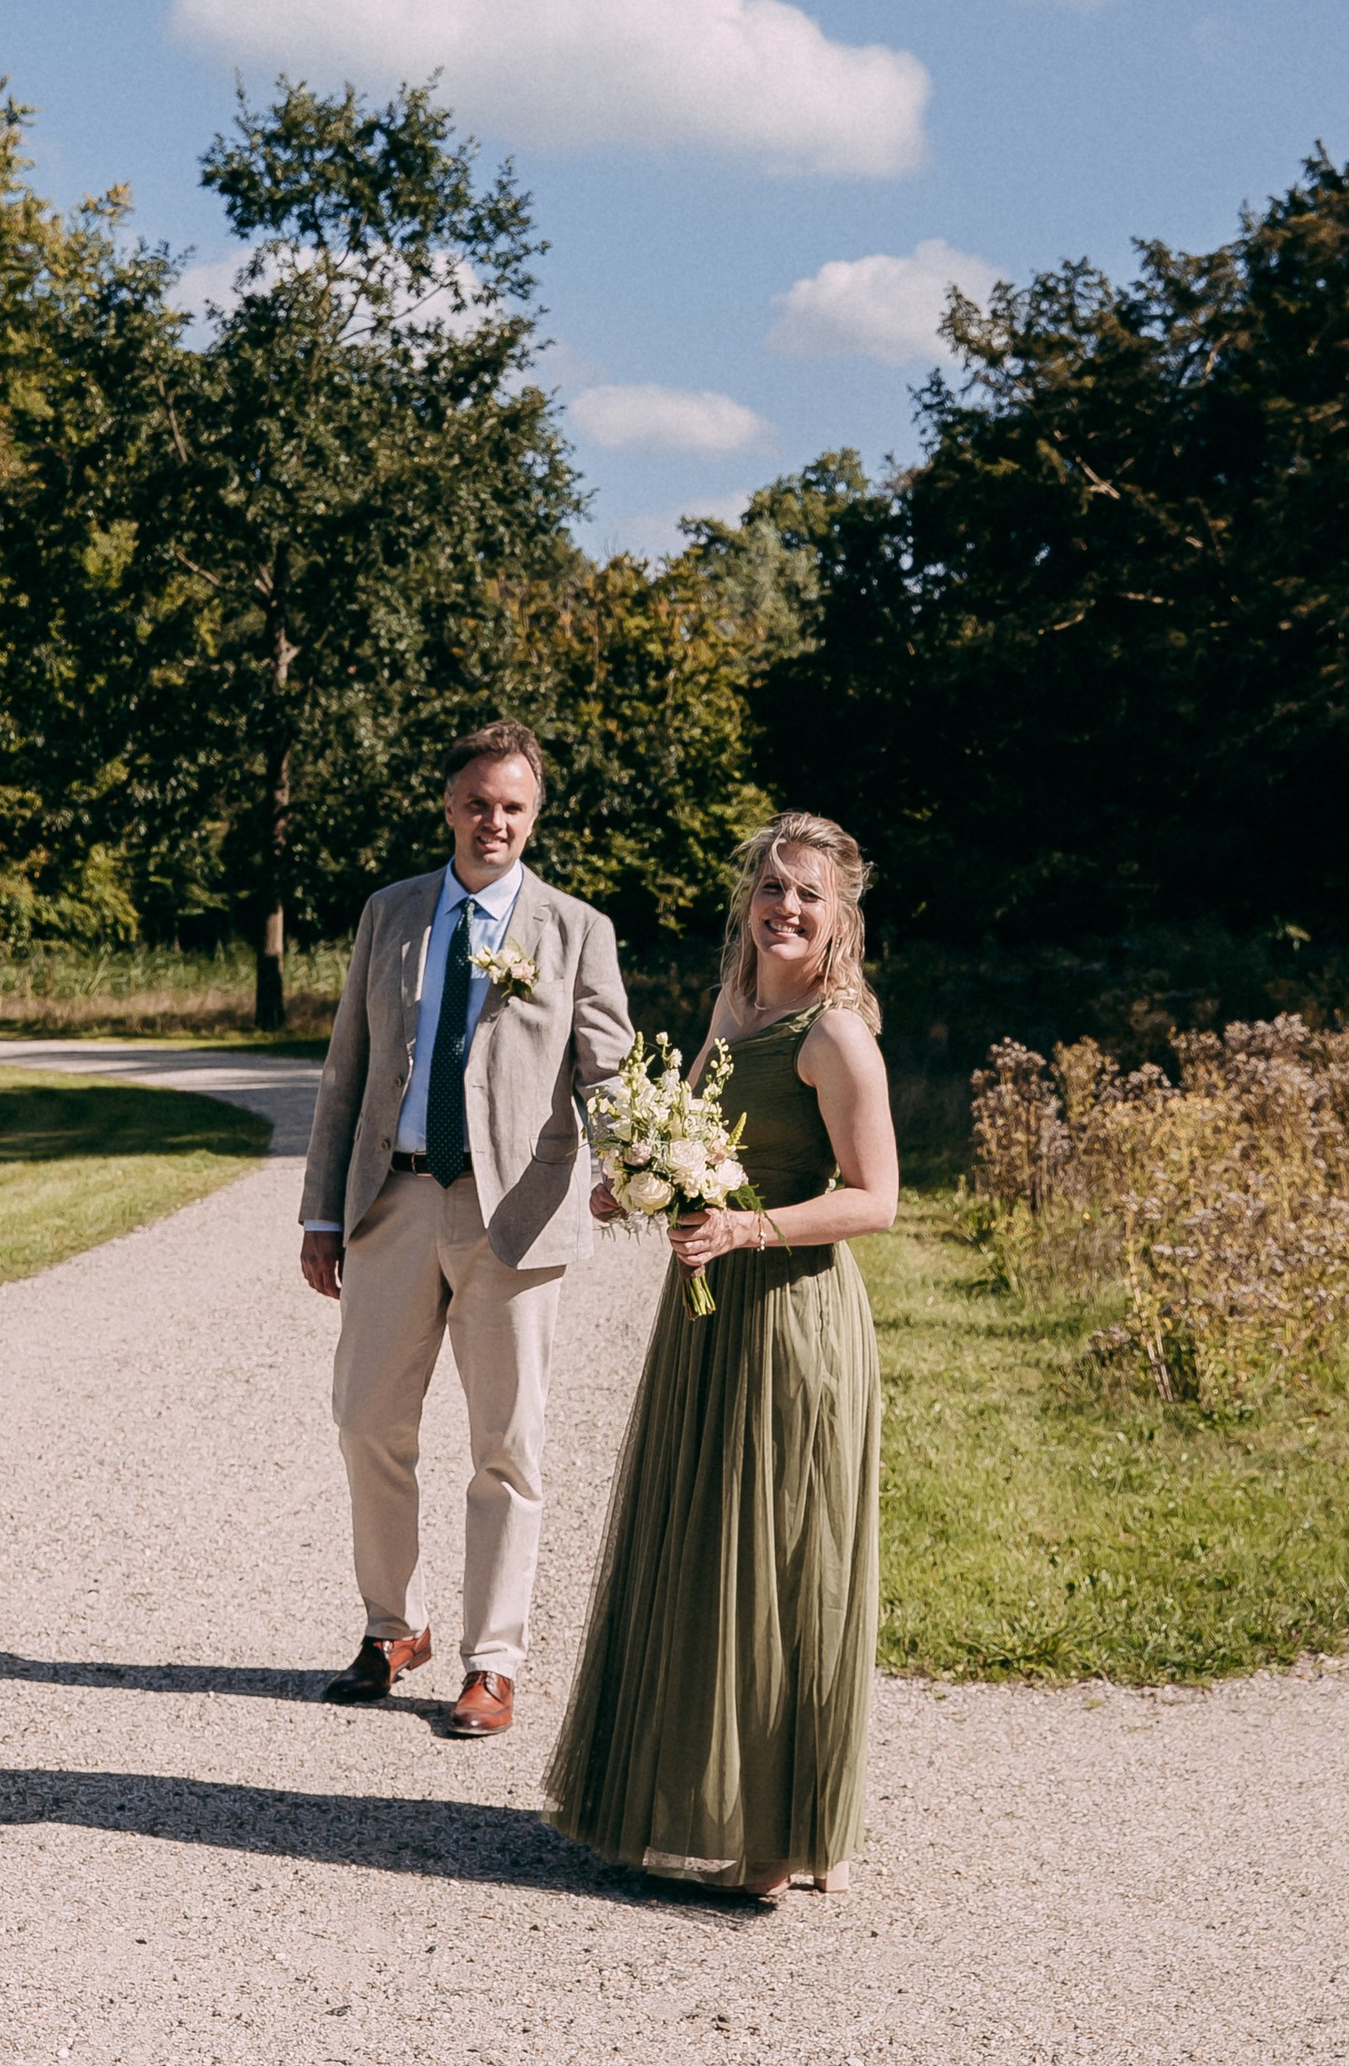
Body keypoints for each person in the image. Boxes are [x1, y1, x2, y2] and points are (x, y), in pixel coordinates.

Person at [542, 811, 896, 1894]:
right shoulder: (734, 1007)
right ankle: (700, 1796)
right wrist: (634, 1176)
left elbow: (875, 1199)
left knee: (779, 1565)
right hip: (707, 1315)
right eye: (772, 888)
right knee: (703, 1552)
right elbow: (693, 1126)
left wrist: (746, 1226)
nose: (786, 908)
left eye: (809, 896)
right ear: (749, 897)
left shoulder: (835, 1036)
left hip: (791, 1321)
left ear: (838, 918)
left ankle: (783, 1831)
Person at [299, 720, 634, 1739]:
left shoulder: (576, 929)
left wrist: (634, 1164)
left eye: (514, 807)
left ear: (534, 817)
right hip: (391, 1201)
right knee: (365, 1420)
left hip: (515, 1218)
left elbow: (607, 1071)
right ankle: (392, 1627)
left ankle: (493, 1661)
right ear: (448, 804)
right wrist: (320, 1209)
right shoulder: (389, 913)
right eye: (479, 801)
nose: (495, 821)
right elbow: (346, 1069)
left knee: (506, 1445)